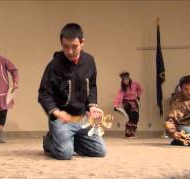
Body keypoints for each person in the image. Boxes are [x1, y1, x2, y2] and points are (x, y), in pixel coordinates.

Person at [38, 23, 106, 160]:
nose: (69, 51)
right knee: (65, 154)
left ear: (82, 43)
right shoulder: (54, 65)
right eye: (65, 46)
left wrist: (92, 106)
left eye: (74, 47)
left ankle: (67, 140)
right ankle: (50, 141)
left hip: (82, 118)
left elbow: (92, 85)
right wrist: (56, 112)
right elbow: (44, 94)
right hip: (62, 120)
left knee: (100, 151)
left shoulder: (89, 61)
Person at [113, 71, 142, 138]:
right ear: (122, 81)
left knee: (136, 117)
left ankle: (132, 132)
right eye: (124, 80)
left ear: (129, 79)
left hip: (134, 102)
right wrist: (115, 105)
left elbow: (140, 89)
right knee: (131, 117)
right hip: (126, 103)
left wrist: (138, 96)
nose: (125, 81)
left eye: (126, 79)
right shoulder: (122, 89)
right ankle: (128, 133)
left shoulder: (135, 84)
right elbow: (119, 97)